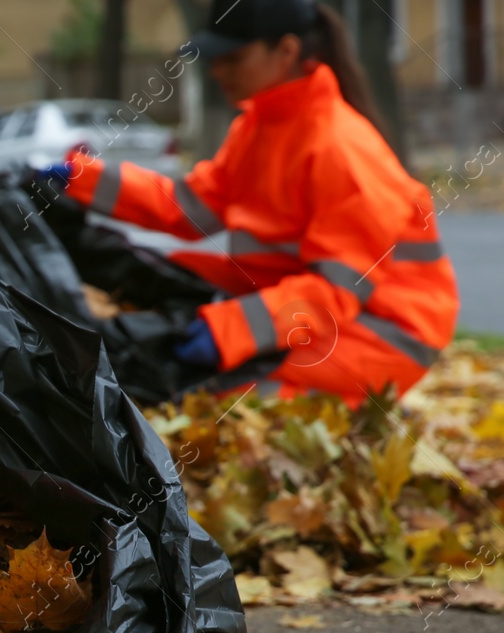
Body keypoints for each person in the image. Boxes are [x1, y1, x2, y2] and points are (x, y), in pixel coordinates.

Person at [40, 0, 457, 402]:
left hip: (382, 333)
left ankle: (353, 404)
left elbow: (335, 293)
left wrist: (230, 331)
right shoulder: (259, 128)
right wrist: (80, 179)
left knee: (210, 401)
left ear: (287, 50)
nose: (217, 70)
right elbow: (192, 205)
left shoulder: (340, 147)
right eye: (215, 58)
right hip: (314, 315)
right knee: (174, 380)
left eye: (233, 58)